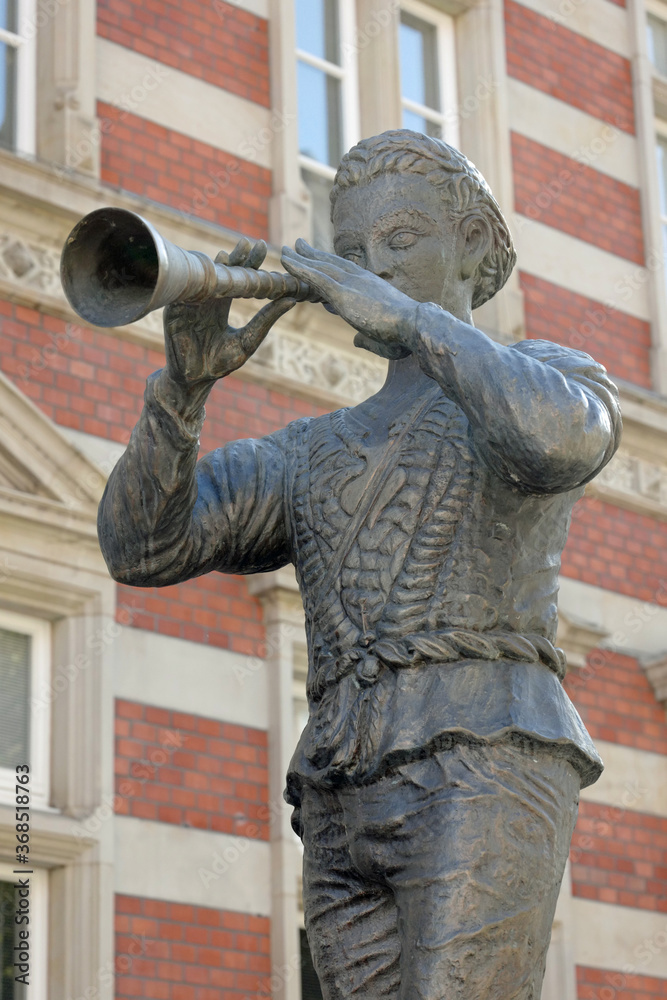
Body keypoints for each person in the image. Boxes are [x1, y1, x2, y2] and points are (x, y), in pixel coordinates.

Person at [98, 130, 621, 999]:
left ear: (477, 246)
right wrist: (183, 389)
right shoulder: (310, 450)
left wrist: (416, 322)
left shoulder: (551, 375)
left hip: (486, 757)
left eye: (403, 239)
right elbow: (141, 547)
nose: (372, 266)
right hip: (340, 787)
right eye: (351, 252)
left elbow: (560, 441)